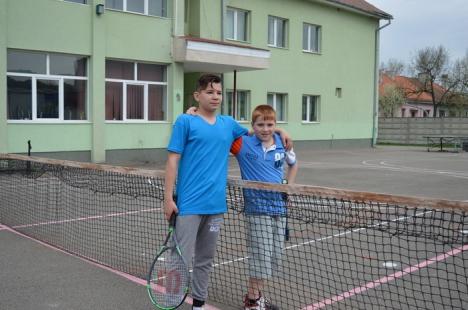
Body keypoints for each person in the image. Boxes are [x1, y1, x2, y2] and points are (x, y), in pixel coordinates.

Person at [164, 74, 291, 310]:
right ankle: (171, 305)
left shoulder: (228, 124)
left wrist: (280, 130)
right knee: (178, 259)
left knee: (205, 261)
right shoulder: (185, 121)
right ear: (197, 95)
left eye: (219, 93)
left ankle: (198, 305)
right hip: (188, 205)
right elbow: (172, 160)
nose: (215, 97)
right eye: (210, 92)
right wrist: (168, 198)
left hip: (216, 206)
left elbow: (258, 131)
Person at [230, 105, 298, 310]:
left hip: (279, 208)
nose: (265, 129)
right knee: (261, 255)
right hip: (257, 209)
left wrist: (289, 187)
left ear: (275, 125)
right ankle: (252, 303)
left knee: (273, 256)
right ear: (253, 126)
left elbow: (294, 164)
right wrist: (193, 114)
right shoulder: (243, 144)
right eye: (260, 124)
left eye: (270, 125)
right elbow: (220, 134)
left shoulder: (282, 143)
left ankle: (256, 298)